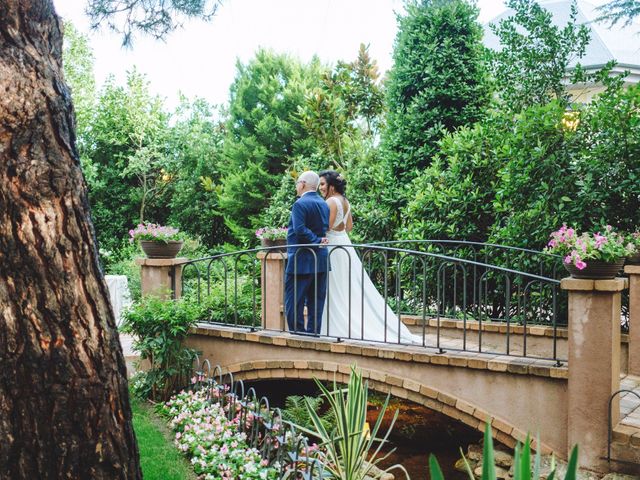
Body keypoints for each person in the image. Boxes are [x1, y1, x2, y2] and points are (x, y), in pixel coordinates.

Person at [318, 170, 420, 344]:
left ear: (332, 187)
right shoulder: (345, 201)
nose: (320, 188)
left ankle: (337, 324)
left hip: (334, 246)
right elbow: (349, 227)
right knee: (347, 286)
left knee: (335, 286)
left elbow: (326, 226)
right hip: (345, 242)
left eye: (322, 184)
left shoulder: (330, 202)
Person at [284, 170, 330, 334]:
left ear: (302, 184)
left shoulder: (299, 204)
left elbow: (300, 229)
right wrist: (319, 240)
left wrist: (316, 241)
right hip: (321, 260)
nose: (296, 186)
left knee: (294, 301)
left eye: (297, 183)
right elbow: (325, 228)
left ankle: (298, 335)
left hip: (300, 259)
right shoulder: (323, 203)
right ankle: (312, 335)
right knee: (316, 303)